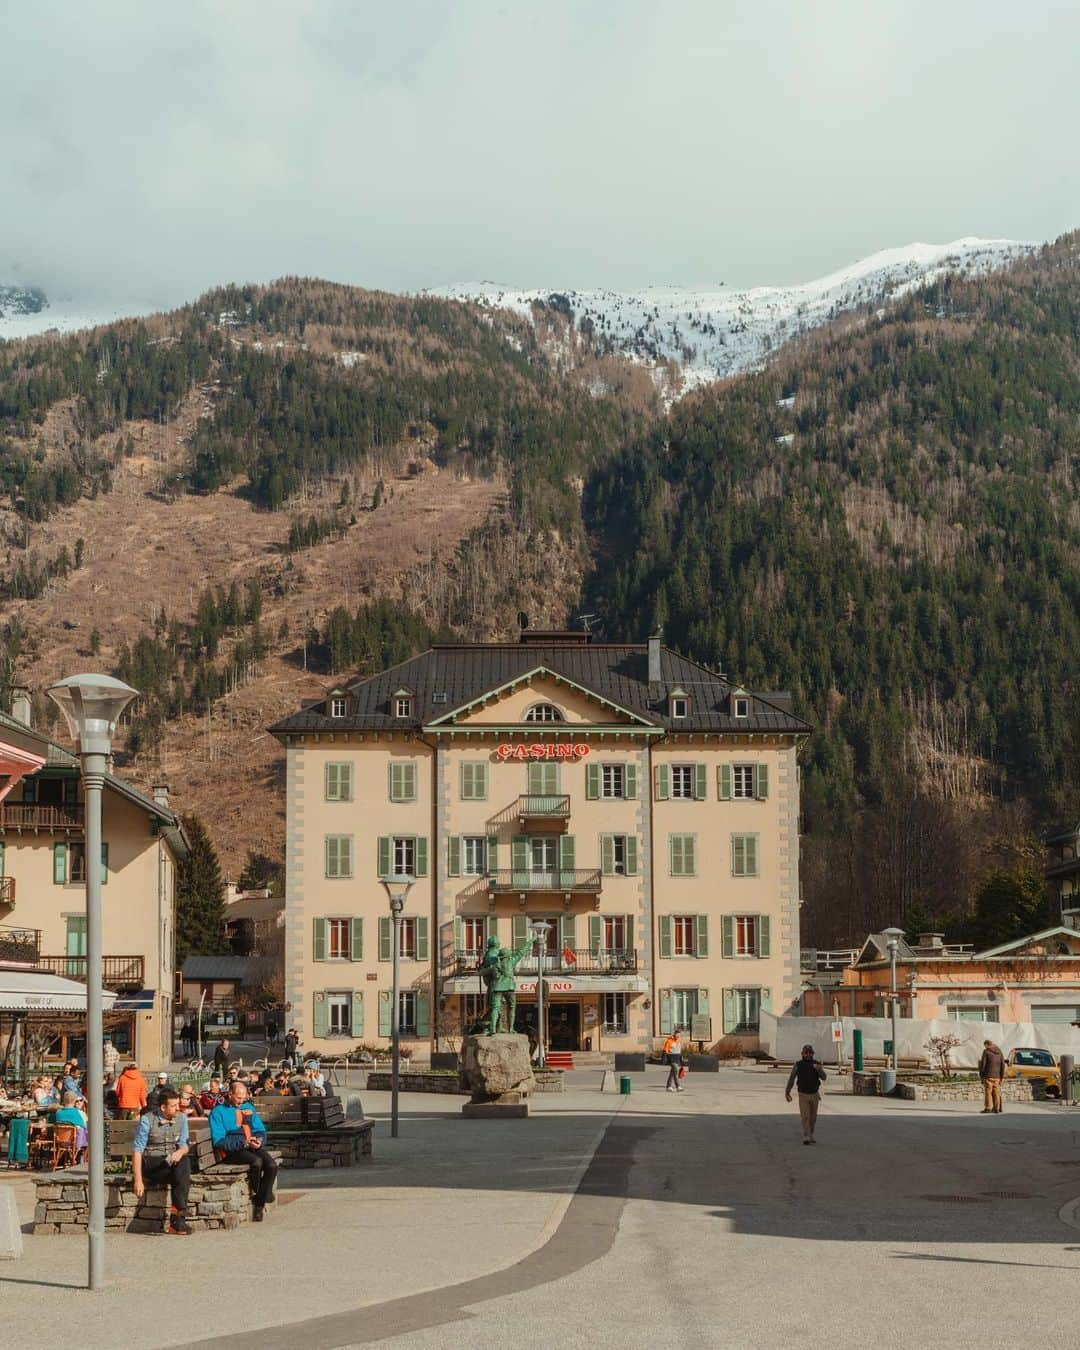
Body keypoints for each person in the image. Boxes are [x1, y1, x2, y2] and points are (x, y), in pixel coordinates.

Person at [208, 1081, 278, 1221]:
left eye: (243, 1098)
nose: (241, 1101)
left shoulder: (248, 1107)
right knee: (256, 1162)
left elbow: (260, 1129)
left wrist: (259, 1140)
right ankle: (260, 1204)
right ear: (230, 1094)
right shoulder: (218, 1112)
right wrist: (242, 1143)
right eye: (238, 1098)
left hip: (250, 1143)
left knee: (271, 1165)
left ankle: (260, 1197)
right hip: (232, 1149)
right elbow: (219, 1140)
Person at [132, 1088, 191, 1235]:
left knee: (183, 1163)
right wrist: (138, 1180)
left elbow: (184, 1145)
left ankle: (177, 1222)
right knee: (182, 1173)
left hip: (172, 1162)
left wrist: (180, 1152)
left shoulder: (182, 1118)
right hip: (153, 1162)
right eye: (173, 1106)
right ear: (163, 1107)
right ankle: (179, 1217)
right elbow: (137, 1150)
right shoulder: (147, 1119)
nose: (178, 1108)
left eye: (178, 1104)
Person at [785, 1044, 827, 1144]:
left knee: (813, 1117)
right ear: (802, 1054)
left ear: (812, 1054)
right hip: (803, 1094)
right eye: (806, 1053)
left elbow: (824, 1077)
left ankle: (811, 1134)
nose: (808, 1055)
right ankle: (806, 1135)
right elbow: (792, 1078)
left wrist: (819, 1069)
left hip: (814, 1094)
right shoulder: (798, 1065)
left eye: (810, 1053)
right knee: (805, 1116)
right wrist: (787, 1091)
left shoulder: (816, 1064)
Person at [979, 1039, 1006, 1114]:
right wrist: (1001, 1077)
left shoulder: (986, 1051)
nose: (985, 1047)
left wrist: (981, 1075)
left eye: (985, 1046)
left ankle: (988, 1108)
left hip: (988, 1075)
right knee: (996, 1092)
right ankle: (996, 1108)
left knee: (988, 1092)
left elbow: (983, 1065)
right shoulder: (1000, 1052)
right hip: (997, 1076)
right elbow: (1003, 1065)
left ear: (987, 1044)